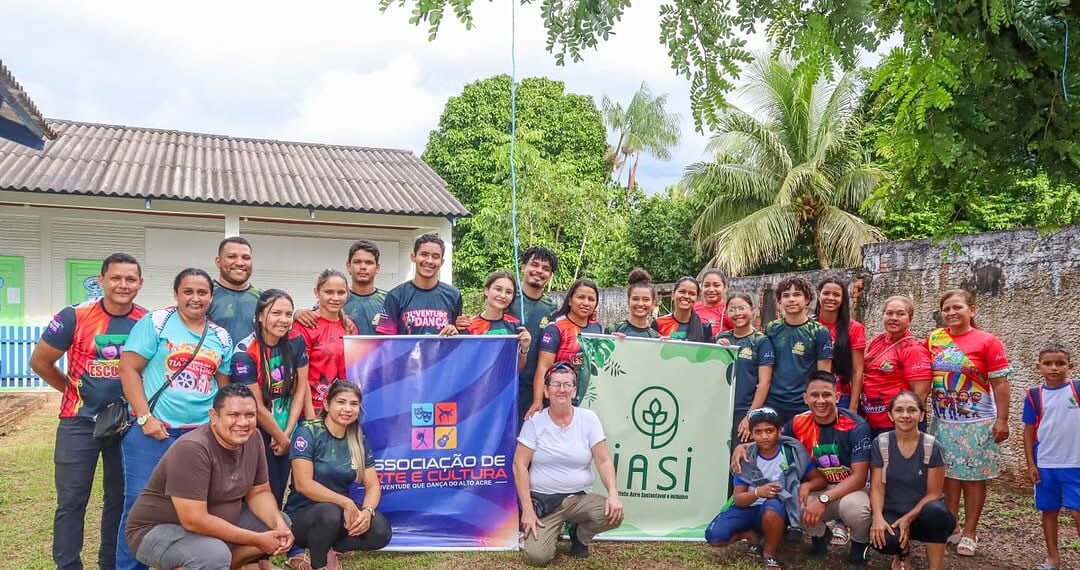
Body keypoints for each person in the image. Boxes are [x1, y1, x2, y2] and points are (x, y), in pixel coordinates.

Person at [29, 253, 147, 570]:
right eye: (116, 278)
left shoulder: (147, 322)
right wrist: (73, 390)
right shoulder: (74, 316)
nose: (123, 284)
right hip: (78, 422)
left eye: (130, 279)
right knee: (71, 501)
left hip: (127, 425)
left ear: (140, 283)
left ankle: (110, 564)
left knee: (119, 501)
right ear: (101, 280)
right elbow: (40, 362)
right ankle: (68, 566)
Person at [116, 267, 234, 570]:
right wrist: (145, 417)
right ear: (176, 295)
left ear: (211, 296)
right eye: (188, 292)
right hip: (155, 433)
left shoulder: (220, 336)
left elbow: (223, 388)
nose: (195, 298)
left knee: (195, 506)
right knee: (139, 507)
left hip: (199, 437)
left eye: (202, 292)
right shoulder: (156, 323)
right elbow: (128, 369)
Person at [124, 383, 294, 570]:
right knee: (214, 555)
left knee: (280, 523)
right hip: (158, 529)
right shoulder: (192, 448)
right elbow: (194, 519)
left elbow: (259, 492)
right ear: (214, 416)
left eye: (250, 415)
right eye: (233, 415)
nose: (243, 423)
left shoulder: (254, 439)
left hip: (216, 520)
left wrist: (278, 525)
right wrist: (256, 539)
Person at [926, 289, 1010, 556]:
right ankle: (952, 526)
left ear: (972, 310)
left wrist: (1003, 420)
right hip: (944, 421)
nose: (951, 313)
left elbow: (1000, 383)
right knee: (948, 476)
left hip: (977, 422)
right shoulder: (933, 339)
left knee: (973, 479)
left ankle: (971, 532)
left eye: (957, 307)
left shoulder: (988, 341)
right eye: (946, 309)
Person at [513, 363, 623, 567]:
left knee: (614, 514)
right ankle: (552, 531)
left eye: (567, 384)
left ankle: (579, 535)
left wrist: (613, 493)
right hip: (545, 503)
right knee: (536, 557)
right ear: (546, 391)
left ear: (574, 391)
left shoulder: (589, 419)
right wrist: (527, 510)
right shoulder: (534, 422)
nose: (561, 389)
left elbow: (604, 460)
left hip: (578, 499)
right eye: (556, 384)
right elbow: (519, 465)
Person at [285, 381, 392, 570]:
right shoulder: (308, 432)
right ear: (327, 405)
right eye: (341, 402)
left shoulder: (358, 438)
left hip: (339, 513)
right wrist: (345, 502)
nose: (347, 409)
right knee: (330, 513)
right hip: (303, 515)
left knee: (381, 531)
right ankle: (320, 565)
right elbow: (303, 484)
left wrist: (367, 512)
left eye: (353, 404)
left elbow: (373, 485)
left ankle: (332, 547)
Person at [706, 407, 826, 570]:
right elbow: (739, 499)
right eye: (758, 432)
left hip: (776, 511)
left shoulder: (791, 454)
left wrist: (807, 485)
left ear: (779, 431)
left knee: (774, 504)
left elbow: (820, 479)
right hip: (748, 507)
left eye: (769, 431)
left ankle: (769, 553)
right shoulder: (745, 457)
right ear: (752, 433)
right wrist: (758, 492)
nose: (764, 436)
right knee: (714, 537)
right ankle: (750, 536)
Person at [231, 289, 312, 507]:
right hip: (256, 429)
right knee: (259, 490)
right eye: (276, 313)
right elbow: (255, 404)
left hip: (287, 424)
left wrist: (287, 433)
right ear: (259, 315)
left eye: (288, 314)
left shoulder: (296, 341)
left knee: (278, 490)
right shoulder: (244, 351)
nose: (284, 320)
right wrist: (280, 436)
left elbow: (301, 387)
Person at [787, 372, 872, 565]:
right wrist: (745, 447)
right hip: (819, 486)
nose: (820, 400)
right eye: (814, 395)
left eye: (826, 395)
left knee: (856, 510)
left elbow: (859, 478)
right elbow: (774, 442)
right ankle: (820, 536)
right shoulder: (797, 423)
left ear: (837, 396)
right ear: (805, 398)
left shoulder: (857, 426)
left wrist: (823, 500)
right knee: (792, 502)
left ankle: (860, 545)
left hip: (852, 488)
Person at [869, 391, 955, 570]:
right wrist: (877, 517)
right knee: (884, 541)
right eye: (899, 410)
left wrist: (908, 518)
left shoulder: (932, 447)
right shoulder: (881, 443)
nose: (905, 415)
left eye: (912, 410)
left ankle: (935, 566)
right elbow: (877, 486)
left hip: (923, 513)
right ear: (890, 415)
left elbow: (934, 493)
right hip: (893, 511)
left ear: (922, 414)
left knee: (937, 514)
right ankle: (902, 553)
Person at [1022, 344, 1080, 570]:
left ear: (1070, 366)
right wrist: (1031, 464)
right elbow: (1027, 432)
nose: (1054, 368)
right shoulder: (1034, 395)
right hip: (1045, 464)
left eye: (1060, 363)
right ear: (1039, 367)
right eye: (1048, 363)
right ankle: (1053, 557)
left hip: (1076, 464)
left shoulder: (1076, 389)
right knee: (1049, 510)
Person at [527, 279, 605, 418]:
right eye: (580, 297)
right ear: (570, 300)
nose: (586, 303)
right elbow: (543, 368)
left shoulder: (597, 328)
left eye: (591, 299)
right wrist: (537, 401)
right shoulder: (555, 328)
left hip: (589, 402)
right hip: (557, 401)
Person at [764, 276, 833, 424]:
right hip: (773, 403)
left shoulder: (819, 332)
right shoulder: (772, 329)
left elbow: (824, 376)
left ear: (807, 299)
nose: (791, 299)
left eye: (797, 295)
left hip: (803, 405)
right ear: (780, 301)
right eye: (786, 295)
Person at [860, 296, 932, 437]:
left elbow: (921, 393)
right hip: (872, 421)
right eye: (889, 313)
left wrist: (908, 426)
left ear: (910, 319)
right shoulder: (878, 340)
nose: (893, 318)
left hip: (897, 425)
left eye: (900, 314)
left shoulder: (913, 349)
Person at [293, 270, 355, 416]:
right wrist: (310, 418)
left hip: (343, 412)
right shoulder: (305, 325)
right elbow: (299, 377)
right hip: (312, 410)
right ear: (317, 292)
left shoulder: (350, 327)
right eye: (329, 292)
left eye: (341, 292)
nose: (335, 298)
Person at [715, 292, 774, 446]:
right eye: (732, 309)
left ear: (752, 310)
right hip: (720, 409)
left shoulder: (761, 341)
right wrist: (716, 350)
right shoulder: (721, 338)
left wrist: (750, 416)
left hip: (744, 411)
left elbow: (764, 383)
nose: (737, 313)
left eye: (742, 308)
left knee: (740, 461)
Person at [375, 233, 461, 336]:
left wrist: (455, 330)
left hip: (442, 352)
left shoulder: (453, 296)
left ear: (441, 262)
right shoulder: (395, 296)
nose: (429, 261)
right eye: (424, 254)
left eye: (435, 256)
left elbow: (458, 338)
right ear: (413, 257)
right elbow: (385, 342)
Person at [296, 240, 384, 335]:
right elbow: (312, 317)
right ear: (348, 266)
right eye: (357, 262)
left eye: (369, 263)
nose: (363, 267)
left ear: (377, 268)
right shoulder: (336, 299)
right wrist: (297, 314)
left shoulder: (389, 300)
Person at [461, 271, 532, 370]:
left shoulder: (515, 325)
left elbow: (518, 368)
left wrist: (524, 349)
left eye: (508, 292)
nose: (503, 295)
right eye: (498, 289)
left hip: (505, 384)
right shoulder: (469, 326)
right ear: (486, 290)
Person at [814, 277, 866, 411]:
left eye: (836, 294)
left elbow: (857, 371)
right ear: (818, 294)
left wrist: (853, 407)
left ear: (843, 299)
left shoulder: (854, 328)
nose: (830, 298)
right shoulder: (808, 326)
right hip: (810, 396)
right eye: (826, 293)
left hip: (840, 398)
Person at [209, 236, 261, 343]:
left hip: (255, 359)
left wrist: (297, 314)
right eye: (232, 256)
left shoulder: (264, 298)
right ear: (218, 262)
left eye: (246, 257)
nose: (240, 263)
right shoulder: (204, 295)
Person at [653, 277, 712, 342]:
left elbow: (707, 351)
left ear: (697, 299)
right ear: (673, 295)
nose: (686, 296)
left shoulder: (704, 327)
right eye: (682, 292)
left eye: (692, 294)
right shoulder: (658, 323)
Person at [609, 267, 660, 338]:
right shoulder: (614, 329)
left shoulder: (655, 337)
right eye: (635, 299)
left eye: (646, 299)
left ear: (653, 303)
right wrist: (611, 341)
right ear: (628, 301)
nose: (640, 304)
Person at [694, 268, 734, 333]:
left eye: (716, 285)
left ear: (725, 288)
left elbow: (745, 334)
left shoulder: (729, 310)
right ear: (701, 288)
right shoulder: (693, 308)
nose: (711, 290)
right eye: (706, 285)